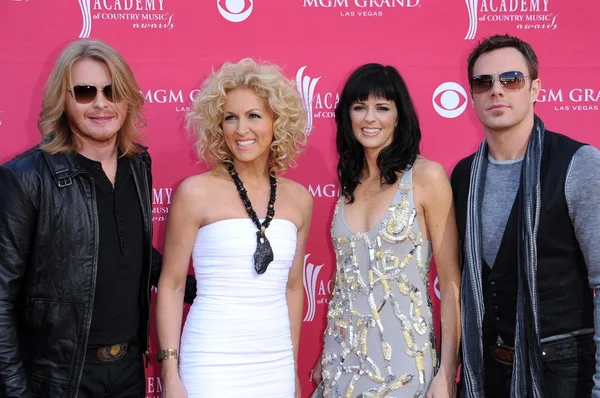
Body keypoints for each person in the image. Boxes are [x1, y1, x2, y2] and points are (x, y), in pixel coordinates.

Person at [0, 39, 195, 397]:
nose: (102, 103)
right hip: (62, 378)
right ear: (64, 100)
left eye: (112, 90)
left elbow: (127, 250)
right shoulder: (25, 178)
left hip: (129, 370)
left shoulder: (137, 164)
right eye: (86, 92)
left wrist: (207, 289)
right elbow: (2, 298)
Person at [452, 34, 600, 398]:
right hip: (486, 373)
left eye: (511, 80)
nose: (496, 91)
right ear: (471, 95)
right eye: (483, 82)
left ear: (535, 88)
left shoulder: (578, 164)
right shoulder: (462, 176)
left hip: (564, 371)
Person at [155, 58, 313, 397]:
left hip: (275, 364)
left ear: (276, 121)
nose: (241, 129)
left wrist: (293, 369)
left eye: (254, 115)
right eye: (230, 117)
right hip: (211, 360)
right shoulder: (194, 192)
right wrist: (170, 371)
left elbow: (293, 289)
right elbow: (171, 285)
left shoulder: (299, 199)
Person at [311, 63, 461, 397]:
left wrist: (447, 372)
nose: (369, 118)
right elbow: (345, 280)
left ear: (399, 116)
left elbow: (451, 283)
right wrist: (326, 350)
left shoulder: (426, 177)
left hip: (404, 363)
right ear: (347, 115)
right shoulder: (351, 184)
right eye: (359, 107)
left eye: (382, 108)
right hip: (341, 362)